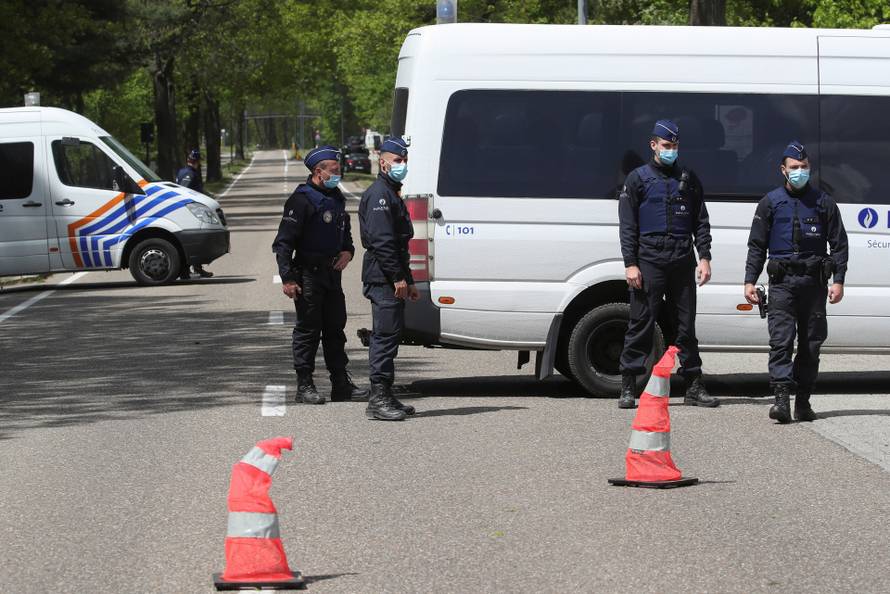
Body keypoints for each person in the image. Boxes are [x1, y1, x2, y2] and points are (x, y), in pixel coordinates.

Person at [744, 141, 848, 423]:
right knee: (780, 342)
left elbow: (839, 245)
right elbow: (757, 245)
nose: (799, 171)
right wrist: (749, 280)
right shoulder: (771, 203)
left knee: (811, 345)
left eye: (803, 167)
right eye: (794, 167)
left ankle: (803, 402)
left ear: (809, 168)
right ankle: (781, 402)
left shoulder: (824, 202)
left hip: (813, 285)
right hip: (782, 284)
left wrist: (838, 280)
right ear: (783, 170)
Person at [618, 119, 719, 409]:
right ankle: (628, 385)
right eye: (666, 146)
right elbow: (628, 227)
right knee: (641, 324)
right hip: (649, 260)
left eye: (674, 146)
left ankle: (693, 385)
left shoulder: (688, 178)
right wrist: (631, 264)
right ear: (654, 145)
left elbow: (701, 222)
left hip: (681, 260)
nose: (670, 151)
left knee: (685, 327)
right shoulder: (638, 179)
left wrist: (705, 258)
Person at [272, 145, 367, 405]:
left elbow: (344, 234)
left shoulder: (335, 197)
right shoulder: (301, 200)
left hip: (331, 276)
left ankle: (340, 384)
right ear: (318, 171)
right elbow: (283, 244)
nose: (339, 174)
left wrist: (348, 251)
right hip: (308, 275)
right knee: (308, 332)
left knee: (335, 330)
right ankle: (305, 385)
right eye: (334, 170)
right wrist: (288, 278)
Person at [358, 137, 419, 421]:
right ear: (383, 162)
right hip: (382, 277)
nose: (402, 166)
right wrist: (397, 278)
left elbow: (399, 244)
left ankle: (386, 393)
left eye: (404, 161)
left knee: (390, 336)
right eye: (397, 161)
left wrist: (409, 280)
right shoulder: (379, 195)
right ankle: (377, 399)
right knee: (383, 337)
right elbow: (383, 242)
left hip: (391, 275)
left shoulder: (391, 192)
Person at [175, 148, 213, 278]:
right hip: (190, 210)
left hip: (185, 210)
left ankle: (191, 269)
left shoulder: (182, 171)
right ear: (197, 161)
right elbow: (184, 191)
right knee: (195, 240)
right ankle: (190, 269)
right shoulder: (190, 174)